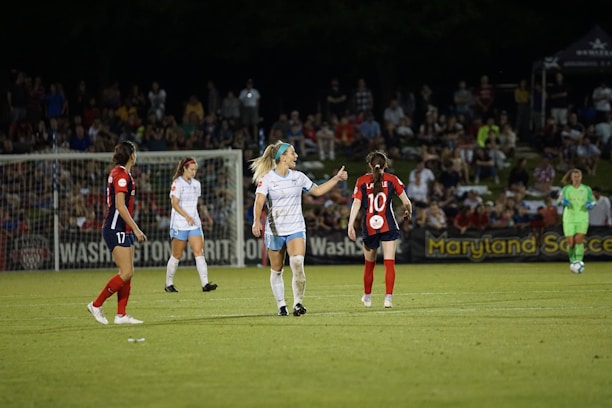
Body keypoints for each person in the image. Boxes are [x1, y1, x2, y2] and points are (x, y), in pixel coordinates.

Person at [250, 140, 348, 316]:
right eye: (292, 153)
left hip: (296, 227)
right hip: (275, 230)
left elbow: (317, 191)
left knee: (297, 263)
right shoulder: (267, 179)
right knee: (277, 269)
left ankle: (298, 304)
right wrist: (256, 221)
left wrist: (336, 179)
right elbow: (259, 201)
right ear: (282, 158)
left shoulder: (299, 177)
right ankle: (281, 306)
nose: (296, 156)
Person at [87, 141, 147, 325]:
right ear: (131, 156)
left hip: (123, 228)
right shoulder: (121, 175)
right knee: (126, 272)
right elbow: (120, 206)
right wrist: (136, 229)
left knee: (127, 272)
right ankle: (96, 304)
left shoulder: (121, 173)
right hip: (115, 228)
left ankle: (121, 315)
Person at [347, 151, 413, 309]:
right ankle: (388, 298)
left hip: (370, 226)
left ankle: (368, 297)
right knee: (389, 263)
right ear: (386, 165)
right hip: (388, 224)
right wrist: (408, 212)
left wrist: (350, 224)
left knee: (369, 264)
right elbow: (407, 202)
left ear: (370, 165)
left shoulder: (362, 181)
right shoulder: (392, 180)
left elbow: (356, 204)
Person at [164, 157, 218, 293]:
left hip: (194, 224)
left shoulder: (196, 184)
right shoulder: (177, 183)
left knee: (199, 252)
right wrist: (186, 216)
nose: (194, 172)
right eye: (191, 169)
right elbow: (174, 204)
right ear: (184, 169)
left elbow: (197, 203)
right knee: (177, 254)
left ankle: (205, 284)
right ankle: (168, 283)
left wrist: (206, 215)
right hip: (180, 224)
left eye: (195, 170)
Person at [557, 168, 596, 270]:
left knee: (579, 240)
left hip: (582, 217)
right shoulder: (566, 189)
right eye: (574, 177)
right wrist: (562, 202)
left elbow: (593, 201)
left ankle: (578, 261)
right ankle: (572, 261)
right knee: (570, 242)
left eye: (578, 176)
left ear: (581, 177)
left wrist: (591, 204)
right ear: (571, 177)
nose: (577, 178)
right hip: (569, 218)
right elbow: (558, 201)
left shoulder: (586, 189)